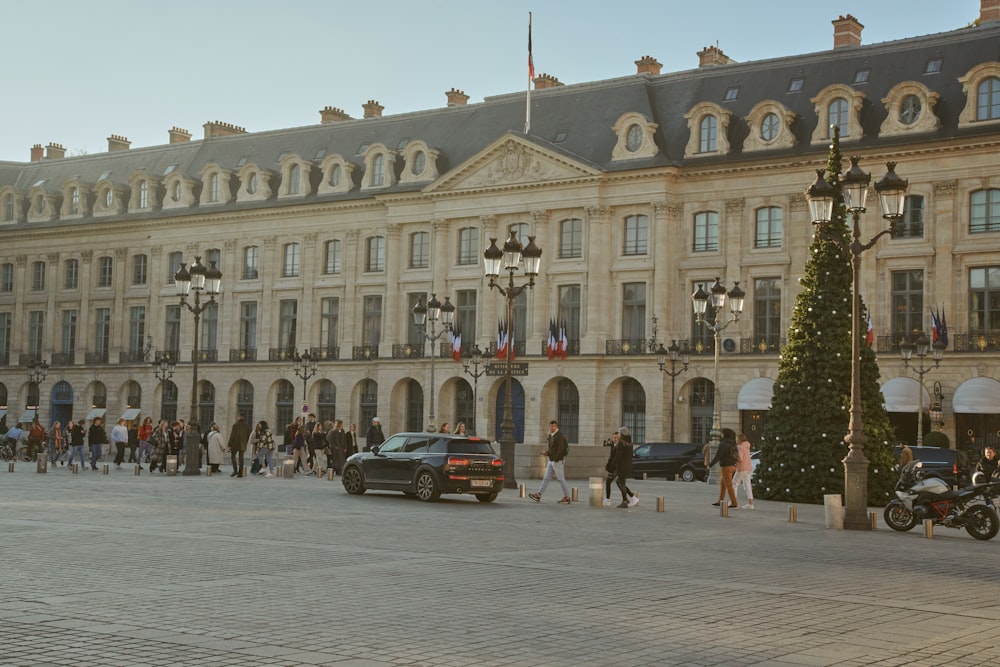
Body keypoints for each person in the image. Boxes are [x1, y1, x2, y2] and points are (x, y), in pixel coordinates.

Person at [528, 420, 572, 504]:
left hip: (557, 461)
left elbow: (561, 449)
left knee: (561, 479)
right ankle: (538, 494)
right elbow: (552, 449)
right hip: (551, 461)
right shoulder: (551, 436)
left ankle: (567, 497)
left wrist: (555, 459)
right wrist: (547, 453)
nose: (552, 428)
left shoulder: (560, 436)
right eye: (551, 426)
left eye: (554, 426)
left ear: (556, 427)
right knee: (546, 478)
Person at [709, 428, 739, 509]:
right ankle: (720, 500)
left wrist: (710, 464)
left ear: (725, 434)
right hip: (732, 466)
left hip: (726, 466)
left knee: (729, 485)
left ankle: (734, 502)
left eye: (722, 433)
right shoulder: (733, 443)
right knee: (723, 483)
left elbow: (718, 456)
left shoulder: (723, 444)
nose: (721, 435)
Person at [612, 427, 639, 508]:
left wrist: (614, 464)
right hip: (628, 465)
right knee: (618, 482)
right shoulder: (630, 442)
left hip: (622, 466)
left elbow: (618, 456)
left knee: (621, 483)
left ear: (622, 434)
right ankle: (629, 498)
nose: (618, 435)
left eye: (619, 433)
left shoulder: (621, 443)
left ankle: (626, 500)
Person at [733, 432, 755, 509]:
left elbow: (740, 458)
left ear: (739, 439)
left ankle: (734, 503)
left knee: (734, 484)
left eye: (736, 438)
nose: (735, 440)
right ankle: (750, 504)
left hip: (741, 468)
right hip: (748, 468)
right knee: (747, 485)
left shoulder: (740, 447)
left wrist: (734, 457)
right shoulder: (747, 446)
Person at [602, 430, 621, 506]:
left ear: (619, 438)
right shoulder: (613, 444)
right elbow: (605, 445)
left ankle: (608, 499)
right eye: (614, 437)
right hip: (613, 467)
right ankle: (607, 499)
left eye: (616, 437)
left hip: (616, 467)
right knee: (615, 483)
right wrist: (606, 442)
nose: (615, 439)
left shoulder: (620, 446)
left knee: (617, 483)